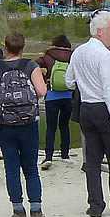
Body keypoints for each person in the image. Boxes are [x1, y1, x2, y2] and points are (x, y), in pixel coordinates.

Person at [71, 12, 110, 217]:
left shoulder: (78, 52)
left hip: (86, 108)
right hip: (104, 107)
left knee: (92, 161)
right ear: (100, 31)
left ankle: (95, 206)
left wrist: (84, 84)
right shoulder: (104, 55)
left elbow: (69, 80)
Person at [0, 31, 49, 217]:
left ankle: (18, 213)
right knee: (31, 169)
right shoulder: (30, 66)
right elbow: (42, 91)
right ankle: (37, 212)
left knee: (12, 169)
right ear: (23, 48)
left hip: (6, 126)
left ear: (5, 47)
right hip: (29, 124)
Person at [35, 35, 74, 169]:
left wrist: (44, 76)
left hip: (51, 95)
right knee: (65, 126)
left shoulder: (48, 56)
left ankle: (48, 156)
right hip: (68, 95)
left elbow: (33, 64)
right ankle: (65, 154)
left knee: (51, 127)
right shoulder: (72, 56)